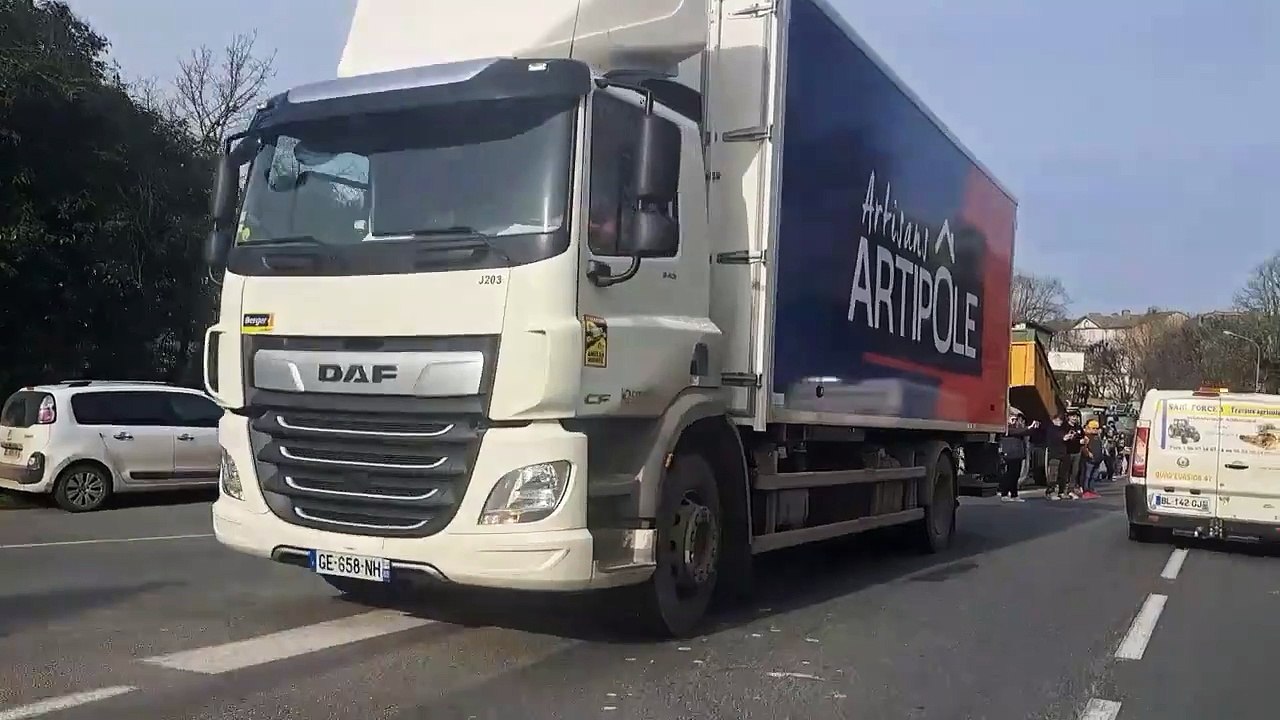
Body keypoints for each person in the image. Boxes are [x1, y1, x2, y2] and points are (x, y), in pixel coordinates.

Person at [999, 413, 1031, 502]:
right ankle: (1004, 494)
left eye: (1016, 419)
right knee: (1010, 475)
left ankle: (1014, 494)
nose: (1015, 421)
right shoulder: (1007, 428)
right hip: (1010, 454)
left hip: (1017, 454)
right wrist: (1028, 427)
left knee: (1016, 475)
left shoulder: (1019, 428)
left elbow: (1024, 433)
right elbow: (1016, 431)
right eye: (1013, 419)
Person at [1044, 412, 1073, 500]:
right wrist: (1064, 437)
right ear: (1053, 420)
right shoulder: (1051, 429)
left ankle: (1061, 492)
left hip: (1064, 453)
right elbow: (1058, 437)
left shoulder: (1062, 428)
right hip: (1054, 454)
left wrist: (1070, 436)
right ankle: (1050, 492)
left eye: (1061, 420)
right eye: (1058, 420)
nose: (1060, 422)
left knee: (1063, 474)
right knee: (1053, 474)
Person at [1063, 411, 1086, 499]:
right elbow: (1064, 439)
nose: (1074, 418)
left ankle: (1071, 490)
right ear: (1068, 417)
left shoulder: (1078, 427)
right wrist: (1077, 441)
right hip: (1068, 452)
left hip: (1077, 452)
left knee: (1075, 472)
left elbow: (1082, 436)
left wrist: (1083, 441)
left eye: (1076, 416)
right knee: (1066, 472)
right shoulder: (1064, 427)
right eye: (1072, 416)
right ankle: (1063, 490)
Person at [1080, 419, 1104, 499]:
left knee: (1094, 476)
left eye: (1097, 428)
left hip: (1097, 459)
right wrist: (1088, 453)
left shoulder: (1097, 437)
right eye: (1093, 428)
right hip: (1089, 460)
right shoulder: (1086, 436)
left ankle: (1091, 489)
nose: (1095, 430)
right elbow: (1083, 447)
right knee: (1087, 476)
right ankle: (1085, 491)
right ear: (1088, 428)